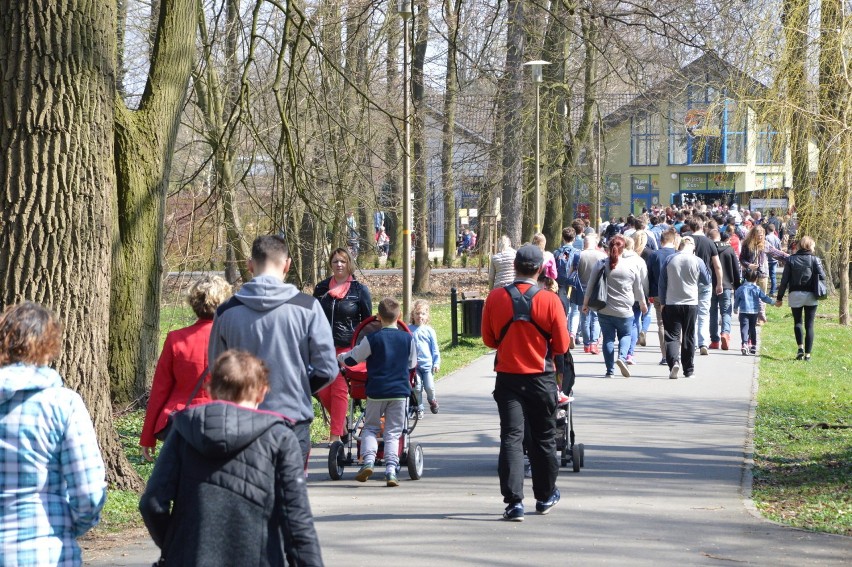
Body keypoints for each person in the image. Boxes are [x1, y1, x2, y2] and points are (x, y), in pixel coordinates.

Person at [139, 350, 323, 566]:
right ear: (262, 392)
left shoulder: (183, 428)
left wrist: (175, 545)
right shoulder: (280, 437)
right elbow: (296, 520)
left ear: (211, 390)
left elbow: (152, 502)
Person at [209, 235, 338, 464]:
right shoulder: (308, 308)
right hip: (292, 419)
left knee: (247, 494)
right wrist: (301, 386)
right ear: (287, 264)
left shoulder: (226, 312)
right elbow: (327, 368)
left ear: (250, 265)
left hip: (240, 423)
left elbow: (217, 371)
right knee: (289, 496)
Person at [0, 302, 107, 565]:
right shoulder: (63, 404)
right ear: (49, 345)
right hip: (44, 551)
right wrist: (68, 527)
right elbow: (89, 494)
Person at [481, 244, 569, 521]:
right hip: (541, 378)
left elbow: (489, 340)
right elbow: (562, 344)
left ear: (515, 266)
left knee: (511, 438)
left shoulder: (495, 298)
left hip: (508, 377)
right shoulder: (550, 300)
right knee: (543, 438)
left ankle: (513, 502)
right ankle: (544, 496)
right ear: (541, 269)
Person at [140, 275, 233, 460]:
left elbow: (160, 390)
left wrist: (147, 437)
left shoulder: (176, 339)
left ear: (193, 303)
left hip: (180, 423)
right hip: (223, 422)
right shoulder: (233, 339)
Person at [338, 298, 417, 487]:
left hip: (376, 391)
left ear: (378, 317)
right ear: (398, 317)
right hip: (399, 393)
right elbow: (412, 364)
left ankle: (368, 461)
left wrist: (341, 357)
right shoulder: (408, 338)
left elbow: (353, 359)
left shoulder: (371, 339)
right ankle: (391, 469)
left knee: (371, 428)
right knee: (392, 432)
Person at [313, 248, 372, 445]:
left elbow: (368, 324)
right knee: (322, 390)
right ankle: (344, 424)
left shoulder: (359, 290)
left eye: (343, 261)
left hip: (347, 349)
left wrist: (360, 350)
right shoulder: (321, 290)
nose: (339, 265)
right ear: (330, 263)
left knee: (338, 387)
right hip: (323, 347)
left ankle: (335, 437)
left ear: (349, 265)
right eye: (336, 261)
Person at [583, 235, 647, 378]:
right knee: (626, 335)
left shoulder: (600, 264)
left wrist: (585, 304)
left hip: (604, 309)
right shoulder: (631, 266)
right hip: (625, 311)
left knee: (608, 339)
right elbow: (638, 289)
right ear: (623, 249)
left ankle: (609, 371)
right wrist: (643, 304)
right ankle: (622, 357)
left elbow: (590, 286)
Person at [659, 236, 711, 379]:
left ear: (680, 246)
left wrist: (662, 302)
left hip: (672, 303)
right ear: (693, 247)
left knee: (671, 336)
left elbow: (662, 283)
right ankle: (688, 370)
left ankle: (674, 362)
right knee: (689, 335)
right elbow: (707, 280)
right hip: (691, 303)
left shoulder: (669, 259)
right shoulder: (697, 261)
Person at [775, 235, 826, 361]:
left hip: (795, 294)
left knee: (797, 322)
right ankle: (808, 355)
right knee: (809, 325)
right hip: (811, 294)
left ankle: (800, 349)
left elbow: (784, 281)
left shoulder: (791, 260)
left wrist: (779, 297)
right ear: (810, 246)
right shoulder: (815, 259)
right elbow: (823, 276)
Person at [686, 217, 723, 355]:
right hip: (705, 281)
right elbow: (717, 266)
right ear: (703, 227)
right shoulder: (709, 243)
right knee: (703, 313)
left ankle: (692, 342)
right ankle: (703, 343)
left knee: (691, 313)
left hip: (688, 280)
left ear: (690, 227)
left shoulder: (686, 241)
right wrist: (719, 283)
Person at [647, 229, 680, 365]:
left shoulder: (654, 255)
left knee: (661, 323)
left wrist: (649, 293)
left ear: (661, 241)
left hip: (658, 294)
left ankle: (665, 356)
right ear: (673, 240)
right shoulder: (678, 254)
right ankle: (676, 354)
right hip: (677, 294)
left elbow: (648, 275)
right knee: (677, 324)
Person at [708, 229, 740, 351]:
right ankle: (725, 333)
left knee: (713, 312)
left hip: (711, 285)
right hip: (726, 285)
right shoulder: (729, 249)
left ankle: (714, 340)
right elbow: (736, 268)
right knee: (726, 311)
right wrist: (737, 286)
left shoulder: (709, 248)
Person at [575, 232, 607, 354]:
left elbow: (572, 272)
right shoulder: (601, 255)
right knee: (596, 318)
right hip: (597, 290)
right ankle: (594, 343)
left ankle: (586, 344)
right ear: (594, 243)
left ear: (584, 243)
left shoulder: (579, 255)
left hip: (581, 289)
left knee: (584, 318)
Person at [409, 299, 441, 417]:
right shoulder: (408, 330)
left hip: (427, 365)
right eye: (417, 313)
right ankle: (419, 408)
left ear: (427, 315)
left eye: (423, 313)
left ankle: (432, 400)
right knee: (417, 388)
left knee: (429, 387)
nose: (420, 316)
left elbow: (434, 348)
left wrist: (436, 363)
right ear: (413, 315)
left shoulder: (429, 331)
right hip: (414, 366)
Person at [734, 271, 775, 356]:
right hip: (754, 311)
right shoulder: (757, 288)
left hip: (743, 311)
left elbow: (737, 298)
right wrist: (773, 302)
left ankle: (744, 343)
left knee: (744, 328)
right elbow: (764, 298)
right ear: (756, 279)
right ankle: (753, 345)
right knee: (752, 328)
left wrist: (735, 308)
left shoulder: (741, 288)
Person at [739, 225, 769, 325]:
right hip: (751, 275)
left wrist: (790, 258)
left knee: (762, 296)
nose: (760, 237)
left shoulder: (766, 244)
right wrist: (749, 265)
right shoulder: (747, 244)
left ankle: (761, 318)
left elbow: (777, 253)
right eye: (758, 235)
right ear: (753, 235)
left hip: (763, 273)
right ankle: (753, 316)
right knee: (752, 296)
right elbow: (741, 258)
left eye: (762, 235)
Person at [764, 223, 783, 295]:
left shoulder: (766, 238)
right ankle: (773, 291)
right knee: (773, 275)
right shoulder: (777, 238)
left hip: (767, 259)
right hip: (774, 259)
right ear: (774, 229)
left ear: (767, 229)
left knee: (765, 275)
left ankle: (764, 290)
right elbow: (779, 249)